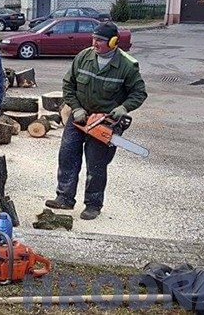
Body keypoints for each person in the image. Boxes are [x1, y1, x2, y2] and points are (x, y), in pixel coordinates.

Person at [45, 21, 147, 220]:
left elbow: (139, 93)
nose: (95, 43)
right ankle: (64, 197)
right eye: (94, 39)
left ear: (113, 41)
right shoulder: (84, 57)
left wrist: (124, 107)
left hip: (104, 122)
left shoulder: (126, 66)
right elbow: (68, 84)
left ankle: (93, 204)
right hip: (80, 117)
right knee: (67, 156)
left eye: (100, 40)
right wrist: (76, 108)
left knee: (96, 164)